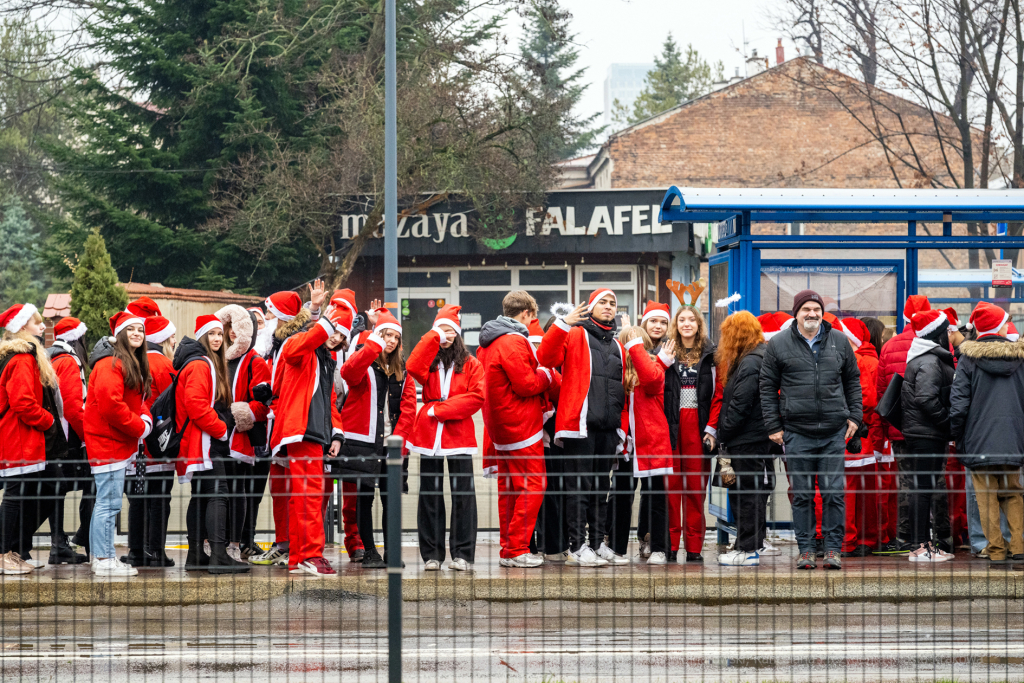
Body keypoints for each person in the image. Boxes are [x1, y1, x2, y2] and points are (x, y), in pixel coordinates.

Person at [760, 289, 862, 570]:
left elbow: (853, 380)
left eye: (816, 309)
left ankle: (832, 549)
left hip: (833, 432)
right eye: (806, 309)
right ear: (796, 313)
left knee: (833, 494)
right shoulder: (779, 344)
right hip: (796, 432)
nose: (812, 314)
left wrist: (855, 416)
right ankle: (805, 549)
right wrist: (773, 425)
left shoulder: (839, 342)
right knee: (802, 494)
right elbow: (767, 387)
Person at [537, 290, 626, 566]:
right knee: (579, 488)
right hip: (580, 426)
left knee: (601, 488)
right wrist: (564, 324)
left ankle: (598, 544)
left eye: (612, 303)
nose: (609, 307)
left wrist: (620, 429)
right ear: (590, 307)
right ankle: (577, 546)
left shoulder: (617, 345)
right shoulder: (575, 333)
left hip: (608, 428)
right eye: (603, 302)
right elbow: (546, 357)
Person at [267, 282, 349, 576]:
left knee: (303, 494)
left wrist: (336, 433)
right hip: (301, 429)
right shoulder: (298, 344)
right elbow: (297, 346)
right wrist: (318, 317)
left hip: (311, 431)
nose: (334, 337)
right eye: (333, 330)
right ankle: (310, 555)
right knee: (309, 494)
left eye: (340, 334)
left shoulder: (322, 358)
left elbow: (329, 403)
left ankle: (300, 556)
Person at [478, 291, 554, 568]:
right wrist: (548, 373)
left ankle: (509, 548)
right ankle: (517, 548)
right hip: (521, 424)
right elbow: (527, 384)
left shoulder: (488, 342)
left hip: (499, 426)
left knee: (508, 490)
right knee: (534, 484)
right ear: (526, 314)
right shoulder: (513, 341)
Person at [406, 305, 484, 571]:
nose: (446, 335)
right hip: (429, 436)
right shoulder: (429, 361)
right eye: (441, 329)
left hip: (458, 434)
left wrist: (440, 409)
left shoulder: (472, 363)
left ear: (459, 333)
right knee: (430, 494)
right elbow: (412, 366)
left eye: (450, 330)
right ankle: (432, 554)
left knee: (463, 495)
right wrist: (433, 336)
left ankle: (463, 554)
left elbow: (476, 397)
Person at [338, 307, 415, 569]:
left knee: (390, 500)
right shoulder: (364, 359)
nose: (391, 341)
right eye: (386, 335)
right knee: (364, 498)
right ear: (376, 335)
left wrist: (400, 444)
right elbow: (348, 373)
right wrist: (372, 344)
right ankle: (369, 552)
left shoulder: (403, 371)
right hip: (363, 442)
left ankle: (392, 553)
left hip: (391, 446)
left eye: (395, 337)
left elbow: (409, 410)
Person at [949, 302, 1024, 568]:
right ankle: (1019, 547)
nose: (1007, 326)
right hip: (1013, 440)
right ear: (998, 327)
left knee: (986, 496)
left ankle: (995, 550)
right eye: (1005, 322)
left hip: (979, 440)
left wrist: (957, 437)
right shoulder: (1020, 359)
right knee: (1013, 493)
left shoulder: (968, 360)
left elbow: (958, 405)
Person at [176, 315, 250, 574]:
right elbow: (195, 404)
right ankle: (218, 555)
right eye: (212, 334)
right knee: (218, 495)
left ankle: (196, 555)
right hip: (206, 441)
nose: (218, 338)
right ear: (202, 336)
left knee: (202, 496)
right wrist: (221, 430)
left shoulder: (201, 362)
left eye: (220, 333)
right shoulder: (201, 363)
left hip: (203, 441)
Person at [84, 311, 153, 577]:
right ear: (121, 333)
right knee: (108, 503)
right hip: (108, 443)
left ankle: (101, 557)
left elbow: (136, 399)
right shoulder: (111, 363)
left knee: (107, 502)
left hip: (115, 442)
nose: (137, 333)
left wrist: (144, 418)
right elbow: (111, 406)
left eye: (141, 330)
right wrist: (140, 427)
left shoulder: (125, 361)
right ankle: (103, 559)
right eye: (132, 329)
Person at [0, 303, 63, 575]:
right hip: (18, 439)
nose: (43, 327)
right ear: (24, 326)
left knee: (18, 496)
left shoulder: (17, 356)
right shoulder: (23, 358)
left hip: (19, 437)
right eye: (38, 322)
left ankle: (10, 553)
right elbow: (23, 403)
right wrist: (49, 422)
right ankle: (4, 555)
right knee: (14, 497)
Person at [875, 294, 937, 554]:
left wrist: (886, 428)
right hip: (932, 428)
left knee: (906, 483)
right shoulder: (935, 343)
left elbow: (881, 392)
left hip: (900, 428)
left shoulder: (890, 346)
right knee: (932, 482)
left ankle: (905, 536)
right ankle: (934, 536)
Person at [662, 304, 723, 564]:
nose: (687, 323)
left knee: (696, 491)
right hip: (672, 427)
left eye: (692, 320)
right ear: (676, 325)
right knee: (671, 489)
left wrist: (711, 429)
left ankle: (695, 546)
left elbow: (719, 395)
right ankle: (671, 545)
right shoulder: (665, 352)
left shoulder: (712, 355)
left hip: (698, 427)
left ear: (699, 324)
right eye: (682, 319)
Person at [715, 311, 773, 567]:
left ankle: (748, 550)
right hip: (752, 438)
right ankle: (747, 546)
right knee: (747, 494)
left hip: (745, 440)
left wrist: (722, 433)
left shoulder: (750, 362)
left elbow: (740, 405)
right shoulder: (756, 358)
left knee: (746, 495)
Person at [120, 315, 177, 568]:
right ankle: (156, 551)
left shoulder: (135, 362)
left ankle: (135, 550)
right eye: (171, 337)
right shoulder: (166, 364)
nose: (174, 342)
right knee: (160, 499)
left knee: (137, 499)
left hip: (137, 444)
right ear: (163, 339)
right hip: (160, 445)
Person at [216, 304, 272, 561]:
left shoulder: (255, 361)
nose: (230, 334)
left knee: (240, 493)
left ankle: (236, 545)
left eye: (237, 329)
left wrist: (238, 414)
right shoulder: (215, 358)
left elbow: (264, 405)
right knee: (217, 495)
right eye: (227, 329)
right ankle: (214, 545)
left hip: (240, 441)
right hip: (214, 439)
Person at [900, 309, 956, 562]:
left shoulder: (924, 358)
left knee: (922, 487)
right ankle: (919, 547)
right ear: (937, 332)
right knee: (922, 489)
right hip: (926, 434)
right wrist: (947, 423)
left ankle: (922, 545)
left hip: (923, 433)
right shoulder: (930, 362)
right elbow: (925, 398)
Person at [616, 326, 675, 564]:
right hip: (625, 447)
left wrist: (638, 346)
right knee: (620, 498)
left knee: (656, 498)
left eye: (636, 342)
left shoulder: (655, 369)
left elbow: (651, 379)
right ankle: (617, 548)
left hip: (650, 444)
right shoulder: (617, 370)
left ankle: (660, 548)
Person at [46, 317, 91, 565]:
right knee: (89, 485)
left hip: (54, 434)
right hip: (69, 437)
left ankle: (58, 541)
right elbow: (73, 408)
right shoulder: (69, 360)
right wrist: (88, 436)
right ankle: (70, 541)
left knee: (56, 491)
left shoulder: (51, 356)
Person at [839, 317, 883, 557]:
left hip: (848, 438)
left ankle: (848, 541)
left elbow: (864, 399)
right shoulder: (868, 360)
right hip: (865, 438)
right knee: (866, 493)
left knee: (846, 492)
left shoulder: (852, 361)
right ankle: (867, 539)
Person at [528, 316, 565, 561]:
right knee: (530, 492)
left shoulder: (557, 364)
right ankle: (528, 545)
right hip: (529, 435)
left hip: (553, 436)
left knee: (552, 491)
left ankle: (552, 544)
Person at [635, 301, 671, 558]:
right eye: (653, 321)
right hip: (632, 429)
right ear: (644, 323)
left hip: (659, 428)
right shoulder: (633, 348)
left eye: (663, 322)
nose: (657, 326)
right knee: (626, 490)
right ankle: (639, 537)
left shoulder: (673, 351)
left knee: (655, 489)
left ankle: (656, 542)